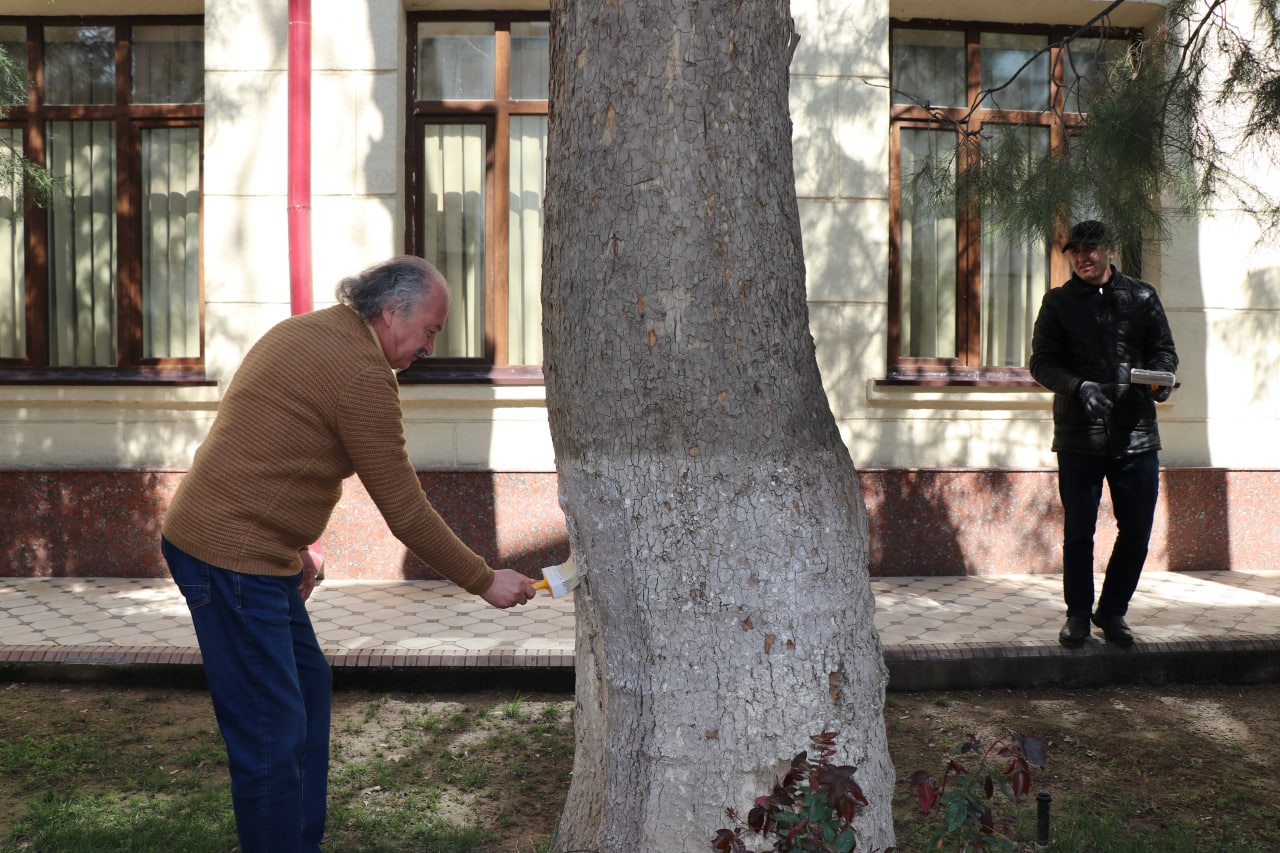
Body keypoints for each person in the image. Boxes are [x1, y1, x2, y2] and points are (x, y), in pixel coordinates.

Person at [160, 255, 537, 852]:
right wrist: (483, 578)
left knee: (308, 688)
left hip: (250, 548)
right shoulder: (362, 374)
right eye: (430, 330)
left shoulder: (311, 329)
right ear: (391, 311)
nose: (430, 347)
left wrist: (295, 547)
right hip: (230, 556)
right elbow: (404, 509)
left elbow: (272, 442)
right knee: (270, 733)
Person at [1029, 221, 1179, 648]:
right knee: (1079, 531)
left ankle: (1112, 611)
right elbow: (1041, 363)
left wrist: (1161, 380)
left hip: (1136, 435)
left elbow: (1164, 352)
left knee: (1137, 529)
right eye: (1075, 250)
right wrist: (1079, 387)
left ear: (1110, 251)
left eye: (1091, 249)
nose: (1083, 257)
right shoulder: (1058, 302)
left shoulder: (1142, 296)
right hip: (1079, 436)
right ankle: (1077, 614)